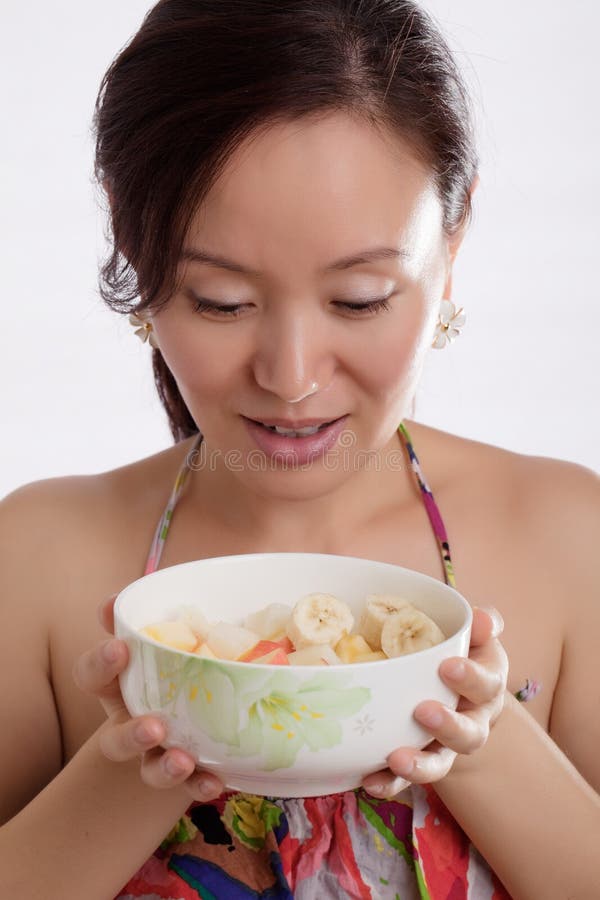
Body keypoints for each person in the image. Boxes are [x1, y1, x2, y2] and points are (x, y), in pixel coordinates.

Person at [1, 1, 598, 897]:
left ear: (454, 241)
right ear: (137, 247)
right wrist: (133, 765)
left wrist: (473, 737)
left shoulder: (567, 537)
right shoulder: (38, 554)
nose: (289, 376)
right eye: (220, 301)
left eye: (358, 299)